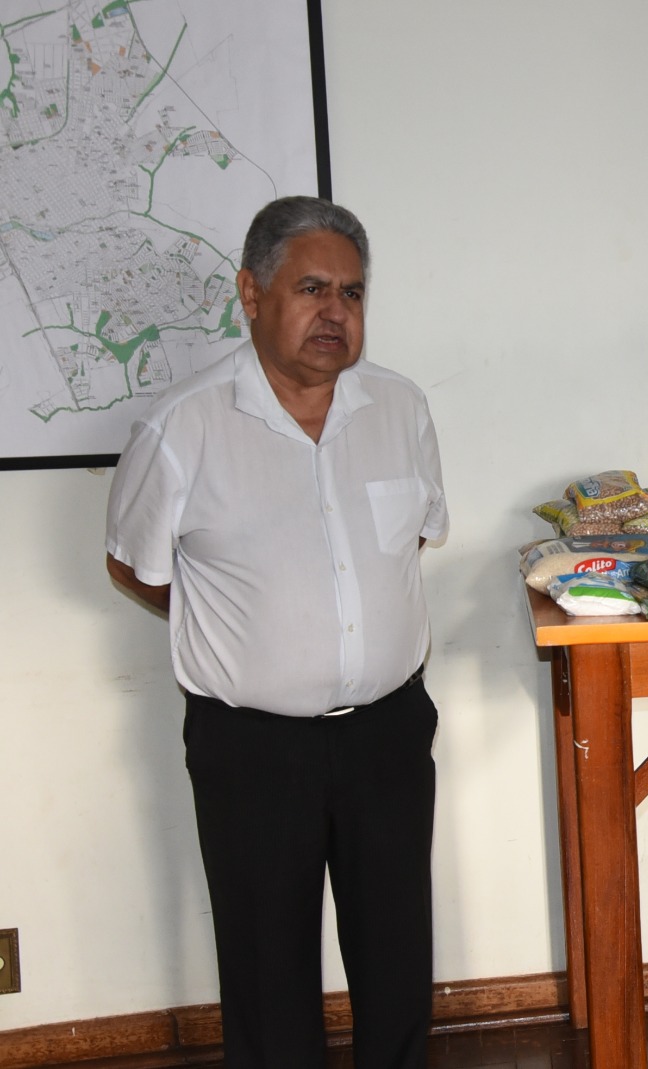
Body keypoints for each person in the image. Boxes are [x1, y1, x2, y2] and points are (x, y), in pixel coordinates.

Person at [105, 196, 448, 1068]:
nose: (336, 312)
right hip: (252, 749)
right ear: (251, 295)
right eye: (312, 289)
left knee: (398, 960)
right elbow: (134, 567)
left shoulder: (400, 410)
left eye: (353, 293)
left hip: (387, 734)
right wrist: (250, 629)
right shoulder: (184, 426)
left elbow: (409, 541)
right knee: (267, 980)